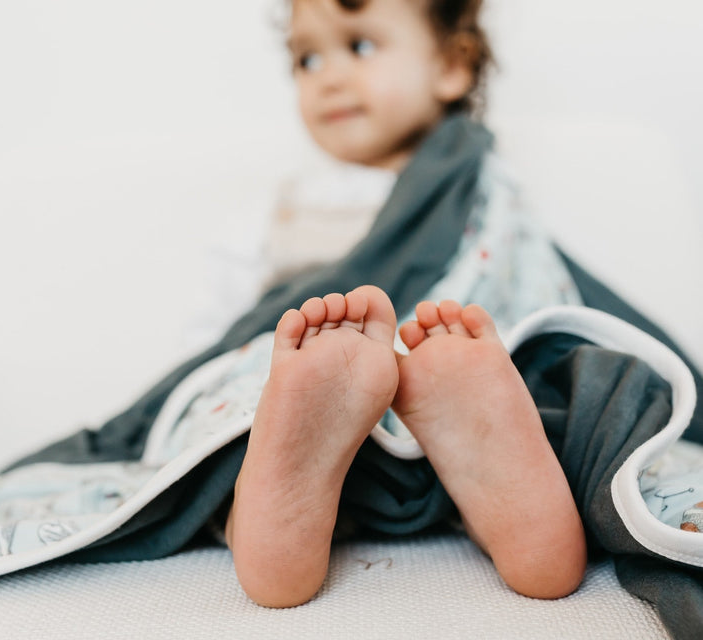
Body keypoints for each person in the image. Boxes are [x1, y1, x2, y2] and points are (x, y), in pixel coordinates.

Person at [224, 0, 587, 609]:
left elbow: (529, 279)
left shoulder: (480, 186)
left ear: (450, 66)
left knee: (551, 392)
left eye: (360, 46)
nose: (329, 76)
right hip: (331, 422)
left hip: (450, 422)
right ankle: (286, 497)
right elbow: (228, 333)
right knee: (239, 420)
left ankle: (494, 475)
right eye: (307, 59)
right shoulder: (279, 207)